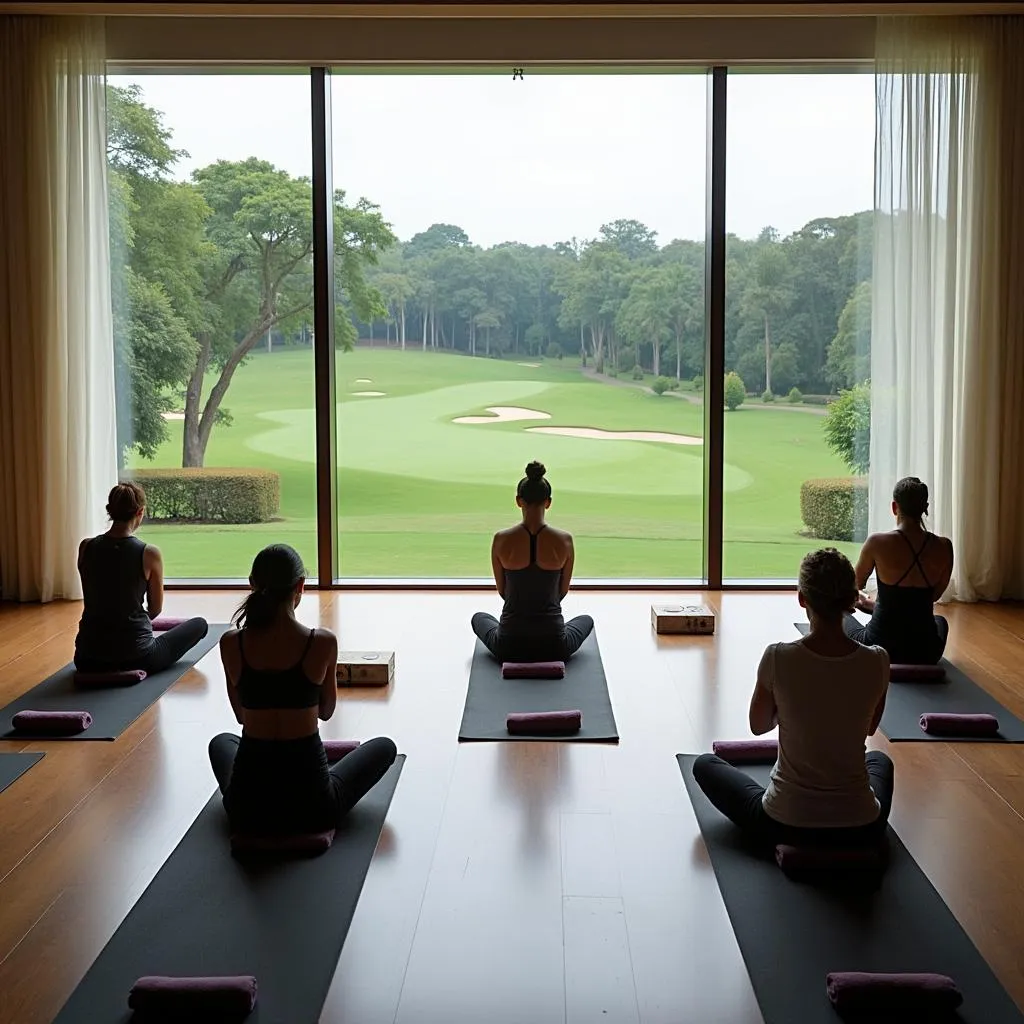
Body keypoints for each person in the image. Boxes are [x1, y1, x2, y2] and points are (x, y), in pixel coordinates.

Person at [691, 548, 893, 851]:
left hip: (784, 823)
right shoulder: (878, 660)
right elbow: (868, 729)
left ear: (802, 598)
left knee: (705, 765)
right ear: (851, 598)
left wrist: (786, 707)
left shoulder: (779, 656)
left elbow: (758, 726)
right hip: (861, 826)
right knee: (879, 761)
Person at [209, 544, 397, 836]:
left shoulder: (232, 643)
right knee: (385, 747)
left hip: (248, 810)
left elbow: (242, 718)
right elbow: (325, 711)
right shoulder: (322, 642)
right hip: (314, 810)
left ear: (252, 584)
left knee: (221, 741)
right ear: (300, 586)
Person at [74, 483, 208, 674]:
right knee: (200, 625)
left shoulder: (85, 547)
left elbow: (95, 596)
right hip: (137, 657)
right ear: (140, 512)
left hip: (87, 658)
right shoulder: (149, 553)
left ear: (110, 510)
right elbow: (155, 609)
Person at [471, 461, 594, 663]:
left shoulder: (501, 539)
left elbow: (503, 592)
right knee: (586, 620)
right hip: (554, 646)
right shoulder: (565, 541)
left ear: (519, 501)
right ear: (548, 502)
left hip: (508, 646)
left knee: (479, 618)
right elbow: (561, 593)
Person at [845, 476, 954, 665]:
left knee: (839, 616)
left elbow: (853, 586)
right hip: (926, 652)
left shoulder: (877, 543)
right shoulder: (945, 547)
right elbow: (933, 597)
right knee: (940, 622)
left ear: (895, 507)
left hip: (877, 647)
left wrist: (861, 601)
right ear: (925, 507)